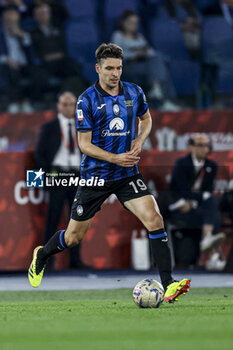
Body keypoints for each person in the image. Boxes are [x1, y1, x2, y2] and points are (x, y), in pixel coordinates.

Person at [28, 43, 190, 303]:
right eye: (109, 68)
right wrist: (116, 157)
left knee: (154, 218)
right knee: (73, 237)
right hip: (95, 177)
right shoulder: (87, 99)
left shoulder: (134, 92)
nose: (115, 73)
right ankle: (42, 255)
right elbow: (84, 144)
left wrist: (139, 140)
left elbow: (147, 119)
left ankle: (168, 283)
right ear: (98, 69)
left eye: (119, 68)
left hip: (127, 174)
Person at [34, 92, 83, 269]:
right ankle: (47, 259)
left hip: (78, 175)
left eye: (72, 104)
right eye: (65, 104)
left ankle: (75, 261)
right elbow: (39, 154)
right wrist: (49, 173)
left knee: (78, 219)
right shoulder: (49, 127)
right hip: (58, 175)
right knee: (53, 217)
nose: (68, 108)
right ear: (58, 106)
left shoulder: (83, 127)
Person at [169, 133, 226, 270]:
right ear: (192, 147)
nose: (203, 149)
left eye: (206, 145)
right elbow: (179, 190)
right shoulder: (182, 164)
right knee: (214, 212)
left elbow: (207, 189)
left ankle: (208, 242)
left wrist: (195, 201)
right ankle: (212, 255)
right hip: (181, 207)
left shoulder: (211, 165)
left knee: (212, 206)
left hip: (198, 207)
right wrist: (195, 200)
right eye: (199, 145)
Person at [111, 10, 179, 111]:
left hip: (144, 66)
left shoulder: (139, 37)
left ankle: (157, 90)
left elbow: (151, 52)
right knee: (160, 67)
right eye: (130, 22)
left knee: (158, 59)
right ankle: (164, 99)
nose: (133, 25)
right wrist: (135, 54)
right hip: (128, 67)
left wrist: (145, 53)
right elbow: (114, 55)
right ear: (123, 22)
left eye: (135, 23)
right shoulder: (118, 36)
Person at [30, 2, 86, 96]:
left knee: (74, 67)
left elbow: (65, 14)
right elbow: (33, 52)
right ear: (35, 17)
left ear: (50, 14)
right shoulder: (31, 33)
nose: (43, 16)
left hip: (60, 61)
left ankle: (76, 95)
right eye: (39, 14)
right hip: (44, 64)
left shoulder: (58, 28)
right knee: (37, 75)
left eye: (45, 13)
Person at [0, 7, 42, 112]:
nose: (12, 24)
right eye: (10, 21)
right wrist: (7, 60)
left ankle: (27, 101)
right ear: (4, 22)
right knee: (12, 73)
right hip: (7, 65)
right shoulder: (1, 36)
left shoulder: (23, 34)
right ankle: (14, 102)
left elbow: (31, 54)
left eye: (15, 21)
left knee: (38, 74)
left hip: (24, 64)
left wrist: (24, 37)